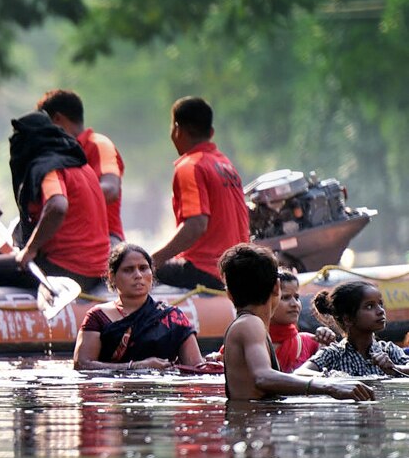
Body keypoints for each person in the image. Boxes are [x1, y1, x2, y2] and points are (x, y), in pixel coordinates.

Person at [219, 243, 373, 401]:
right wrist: (329, 387)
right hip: (253, 423)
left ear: (229, 293)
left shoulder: (246, 324)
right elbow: (263, 377)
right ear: (277, 287)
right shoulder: (250, 324)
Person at [0, 110, 109, 291]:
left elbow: (57, 206)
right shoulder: (82, 166)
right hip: (96, 272)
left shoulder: (50, 167)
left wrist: (30, 250)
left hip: (65, 270)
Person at [152, 97, 249, 290]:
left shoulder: (189, 166)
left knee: (134, 269)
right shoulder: (225, 164)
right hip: (238, 270)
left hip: (207, 271)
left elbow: (196, 224)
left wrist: (154, 260)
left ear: (177, 130)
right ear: (211, 133)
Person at [73, 243, 204, 370]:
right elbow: (82, 365)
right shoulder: (98, 317)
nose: (138, 275)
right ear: (112, 277)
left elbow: (196, 368)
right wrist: (136, 366)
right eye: (128, 270)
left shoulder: (172, 318)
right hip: (112, 390)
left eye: (143, 268)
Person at [37, 89, 125, 245]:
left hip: (106, 237)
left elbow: (111, 189)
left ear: (57, 119)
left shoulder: (98, 144)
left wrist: (59, 201)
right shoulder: (56, 155)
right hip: (67, 238)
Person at [206, 271, 335, 372]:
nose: (295, 304)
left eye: (297, 297)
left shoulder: (311, 343)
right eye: (285, 298)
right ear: (268, 300)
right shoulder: (242, 342)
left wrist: (325, 347)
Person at [296, 281, 409, 377]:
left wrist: (396, 368)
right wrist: (331, 378)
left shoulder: (388, 351)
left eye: (380, 304)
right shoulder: (333, 354)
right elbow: (300, 373)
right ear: (348, 319)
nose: (380, 311)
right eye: (369, 306)